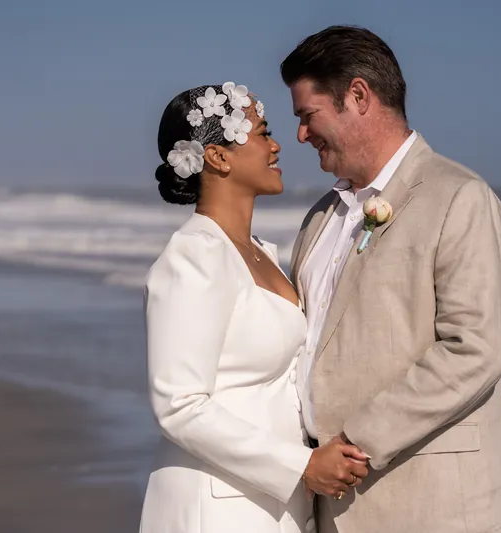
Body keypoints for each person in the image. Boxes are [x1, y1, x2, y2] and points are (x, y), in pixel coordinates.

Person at [281, 26, 501, 533]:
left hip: (440, 508)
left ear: (358, 96)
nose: (301, 135)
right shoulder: (318, 220)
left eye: (308, 115)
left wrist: (355, 443)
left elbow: (475, 348)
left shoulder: (460, 197)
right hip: (335, 509)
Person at [139, 82, 369, 533]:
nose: (277, 145)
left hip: (275, 504)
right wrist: (301, 466)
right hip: (217, 507)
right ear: (217, 157)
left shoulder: (261, 252)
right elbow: (178, 405)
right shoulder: (194, 256)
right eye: (263, 133)